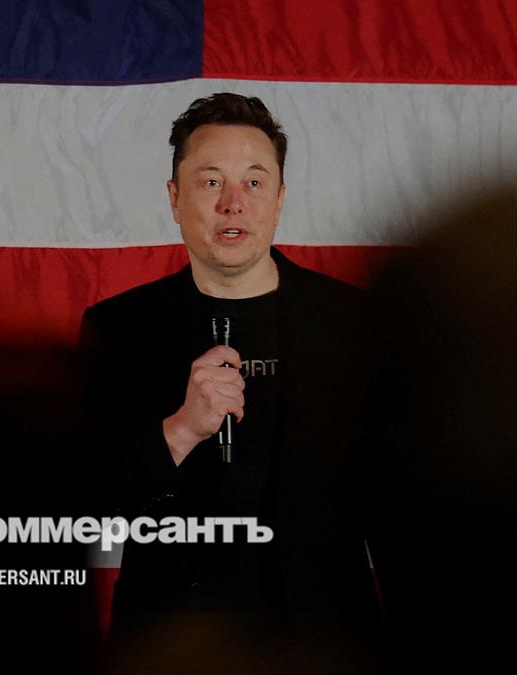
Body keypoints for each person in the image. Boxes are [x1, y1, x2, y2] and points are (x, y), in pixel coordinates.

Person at [79, 93, 380, 673]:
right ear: (175, 198)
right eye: (211, 182)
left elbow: (400, 507)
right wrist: (179, 431)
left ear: (280, 198)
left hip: (326, 645)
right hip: (170, 648)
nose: (233, 203)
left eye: (255, 182)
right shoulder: (118, 329)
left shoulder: (355, 324)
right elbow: (87, 504)